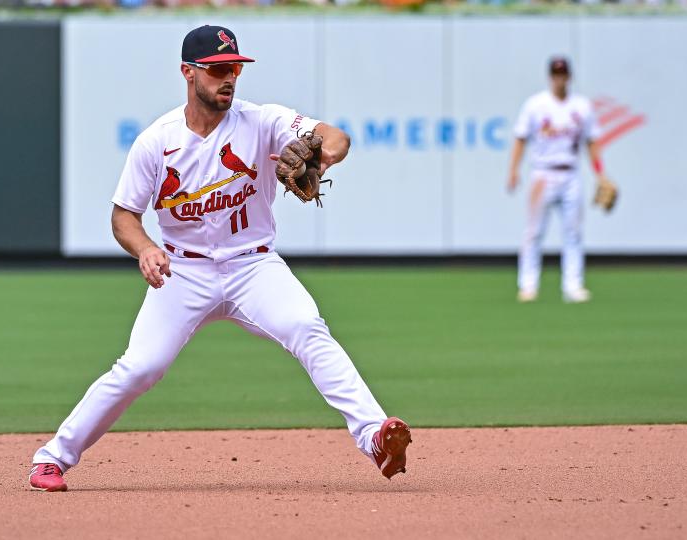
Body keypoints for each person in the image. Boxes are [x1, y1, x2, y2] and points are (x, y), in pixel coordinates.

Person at [28, 24, 412, 492]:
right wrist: (146, 248)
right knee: (140, 367)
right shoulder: (157, 140)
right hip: (183, 270)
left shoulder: (264, 121)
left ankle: (374, 437)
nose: (229, 77)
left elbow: (336, 137)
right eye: (217, 70)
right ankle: (53, 456)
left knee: (307, 328)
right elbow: (123, 216)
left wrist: (321, 154)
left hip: (254, 265)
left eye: (234, 68)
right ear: (188, 73)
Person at [507, 56, 609, 304]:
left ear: (569, 77)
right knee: (534, 232)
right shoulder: (536, 105)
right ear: (549, 77)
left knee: (573, 232)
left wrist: (600, 172)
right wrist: (513, 170)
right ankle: (528, 285)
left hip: (570, 173)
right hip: (542, 173)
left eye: (563, 74)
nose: (559, 79)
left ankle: (573, 286)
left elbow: (591, 142)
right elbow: (521, 137)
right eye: (555, 74)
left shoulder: (581, 106)